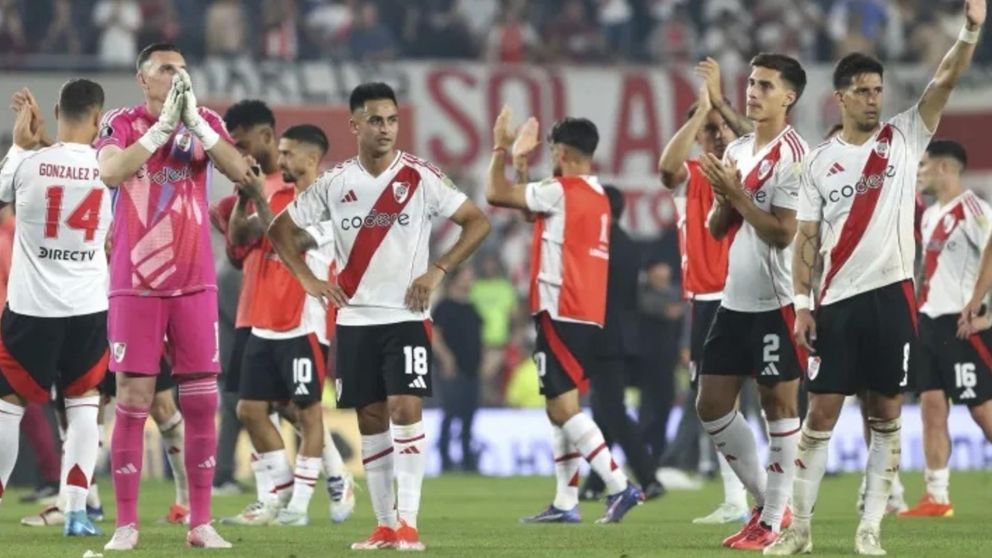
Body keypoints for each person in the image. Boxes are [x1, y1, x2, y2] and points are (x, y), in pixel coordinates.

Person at [769, 2, 985, 553]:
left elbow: (945, 79)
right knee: (819, 414)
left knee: (886, 416)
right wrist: (800, 303)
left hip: (893, 301)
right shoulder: (816, 163)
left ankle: (870, 529)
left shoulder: (905, 136)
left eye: (877, 89)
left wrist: (970, 30)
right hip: (836, 301)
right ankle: (798, 531)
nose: (873, 98)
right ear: (840, 97)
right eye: (862, 90)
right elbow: (808, 241)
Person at [267, 82, 491, 551]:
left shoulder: (421, 176)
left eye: (391, 120)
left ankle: (408, 523)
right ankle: (385, 526)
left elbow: (478, 221)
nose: (386, 129)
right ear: (355, 125)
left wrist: (438, 269)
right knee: (370, 418)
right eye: (375, 120)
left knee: (405, 407)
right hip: (353, 321)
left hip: (406, 316)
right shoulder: (336, 182)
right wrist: (308, 280)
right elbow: (280, 229)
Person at [95, 42, 251, 550]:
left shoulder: (204, 119)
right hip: (135, 282)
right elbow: (112, 172)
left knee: (202, 401)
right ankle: (125, 525)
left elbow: (239, 172)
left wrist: (197, 127)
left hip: (193, 281)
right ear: (143, 80)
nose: (178, 76)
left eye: (183, 69)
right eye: (167, 70)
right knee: (133, 401)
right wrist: (161, 131)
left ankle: (201, 523)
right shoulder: (119, 122)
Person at [486, 108, 644, 524]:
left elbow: (495, 195)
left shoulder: (561, 190)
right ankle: (565, 502)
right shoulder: (596, 196)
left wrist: (501, 147)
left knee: (562, 410)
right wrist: (522, 168)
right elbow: (527, 210)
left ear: (561, 152)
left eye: (553, 149)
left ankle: (619, 484)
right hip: (586, 313)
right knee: (562, 406)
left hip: (560, 308)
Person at [696, 53, 809, 550]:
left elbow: (784, 233)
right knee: (711, 404)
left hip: (777, 298)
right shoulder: (740, 148)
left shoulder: (794, 155)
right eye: (752, 82)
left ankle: (772, 519)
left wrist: (738, 196)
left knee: (777, 404)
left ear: (789, 96)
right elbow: (718, 228)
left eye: (766, 85)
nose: (753, 91)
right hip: (734, 299)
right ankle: (768, 505)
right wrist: (724, 195)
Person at [227, 124, 354, 527]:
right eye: (279, 153)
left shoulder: (332, 205)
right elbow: (240, 238)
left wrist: (259, 204)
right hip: (264, 319)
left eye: (287, 154)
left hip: (305, 322)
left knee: (308, 412)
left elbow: (291, 241)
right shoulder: (277, 194)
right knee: (249, 410)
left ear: (311, 159)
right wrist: (241, 199)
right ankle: (279, 490)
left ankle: (298, 505)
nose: (280, 161)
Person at [0, 80, 110, 538]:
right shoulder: (111, 169)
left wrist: (20, 144)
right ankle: (77, 511)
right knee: (84, 405)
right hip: (87, 307)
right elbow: (80, 170)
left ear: (57, 111)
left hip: (31, 308)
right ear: (99, 117)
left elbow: (7, 185)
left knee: (8, 404)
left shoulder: (28, 164)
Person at [657, 61, 747, 524]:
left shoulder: (751, 168)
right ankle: (738, 498)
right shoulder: (691, 176)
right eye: (706, 130)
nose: (715, 135)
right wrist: (701, 111)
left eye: (719, 128)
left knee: (774, 399)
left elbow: (764, 143)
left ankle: (777, 495)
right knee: (717, 402)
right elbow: (665, 167)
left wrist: (722, 108)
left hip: (753, 296)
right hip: (707, 302)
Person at [902, 140, 992, 517]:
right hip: (929, 324)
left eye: (923, 166)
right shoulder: (930, 214)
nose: (919, 173)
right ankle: (936, 496)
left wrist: (979, 305)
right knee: (931, 408)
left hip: (961, 325)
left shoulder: (973, 209)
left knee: (982, 410)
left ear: (944, 168)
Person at [581, 185, 665, 501]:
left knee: (612, 410)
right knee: (604, 412)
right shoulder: (628, 244)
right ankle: (595, 483)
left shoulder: (603, 244)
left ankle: (648, 477)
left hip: (604, 337)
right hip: (624, 334)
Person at [432, 266, 483, 472]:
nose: (471, 279)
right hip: (452, 369)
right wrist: (446, 359)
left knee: (469, 415)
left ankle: (467, 459)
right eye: (467, 275)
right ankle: (445, 458)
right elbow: (434, 335)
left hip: (472, 369)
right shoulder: (444, 307)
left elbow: (480, 338)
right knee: (450, 413)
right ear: (456, 279)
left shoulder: (472, 307)